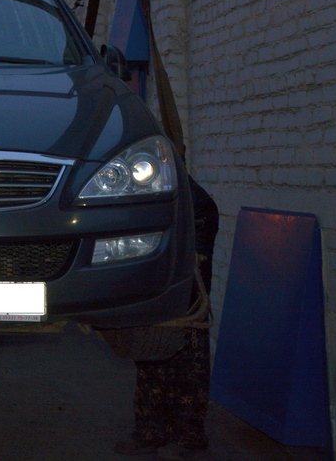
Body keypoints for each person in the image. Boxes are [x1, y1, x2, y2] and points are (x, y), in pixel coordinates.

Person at [116, 178, 220, 460]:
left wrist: (198, 251)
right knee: (151, 356)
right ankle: (151, 433)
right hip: (157, 282)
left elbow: (207, 211)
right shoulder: (134, 182)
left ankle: (189, 439)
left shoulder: (174, 178)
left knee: (188, 360)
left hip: (184, 286)